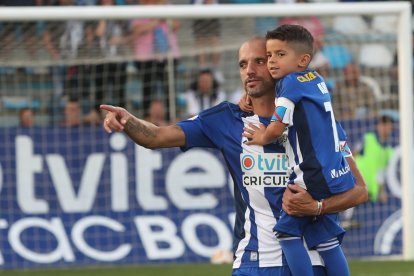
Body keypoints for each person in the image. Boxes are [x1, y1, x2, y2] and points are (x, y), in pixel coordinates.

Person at [101, 37, 368, 276]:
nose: (250, 70)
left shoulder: (316, 119)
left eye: (260, 61)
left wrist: (317, 207)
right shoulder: (225, 120)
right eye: (242, 65)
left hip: (312, 261)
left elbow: (359, 191)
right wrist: (128, 121)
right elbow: (156, 137)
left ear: (279, 62)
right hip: (253, 261)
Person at [242, 25, 355, 276]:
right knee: (326, 241)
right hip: (335, 170)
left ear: (303, 59)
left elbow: (277, 124)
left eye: (280, 55)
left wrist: (262, 136)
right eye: (270, 55)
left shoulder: (289, 83)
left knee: (287, 233)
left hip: (310, 174)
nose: (272, 62)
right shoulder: (316, 79)